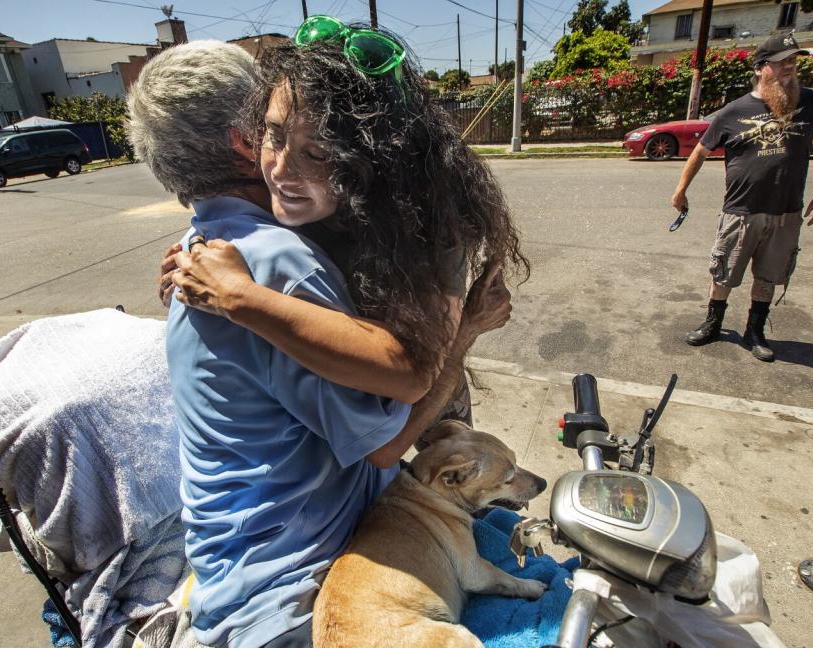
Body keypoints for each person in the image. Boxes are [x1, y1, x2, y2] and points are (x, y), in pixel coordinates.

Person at [128, 26, 525, 648]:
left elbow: (408, 372)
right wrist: (249, 287)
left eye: (319, 149)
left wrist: (245, 293)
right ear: (248, 135)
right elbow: (389, 433)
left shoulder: (417, 227)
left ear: (372, 156)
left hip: (283, 521)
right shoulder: (271, 255)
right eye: (273, 136)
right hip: (285, 581)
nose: (285, 165)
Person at [671, 33, 813, 362]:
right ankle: (713, 323)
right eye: (781, 62)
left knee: (769, 275)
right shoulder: (734, 111)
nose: (789, 67)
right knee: (724, 272)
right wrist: (681, 189)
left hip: (786, 211)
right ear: (761, 68)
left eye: (793, 61)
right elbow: (701, 152)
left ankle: (755, 330)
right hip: (741, 209)